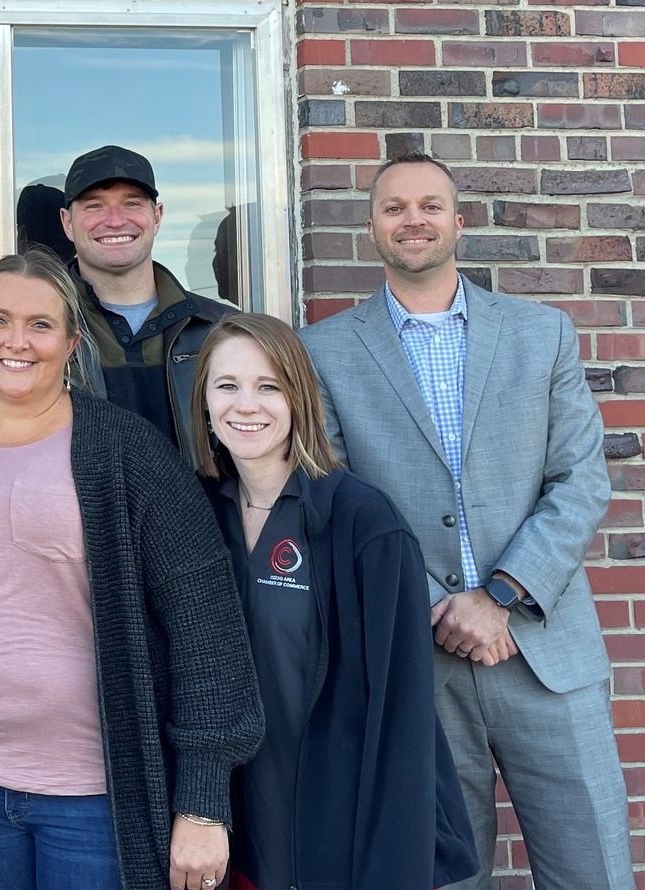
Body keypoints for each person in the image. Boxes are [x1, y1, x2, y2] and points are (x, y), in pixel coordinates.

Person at [301, 152, 630, 889]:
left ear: (458, 219)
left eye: (427, 205)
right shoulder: (322, 351)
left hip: (543, 648)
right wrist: (435, 605)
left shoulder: (540, 332)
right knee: (440, 875)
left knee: (593, 871)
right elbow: (332, 497)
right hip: (416, 661)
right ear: (371, 228)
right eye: (392, 208)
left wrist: (501, 595)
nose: (411, 219)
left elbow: (579, 477)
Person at [0, 250, 262, 890]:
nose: (17, 342)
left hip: (98, 797)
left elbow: (204, 620)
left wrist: (204, 800)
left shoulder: (126, 451)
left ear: (71, 341)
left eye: (41, 325)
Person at [191, 312, 476, 890]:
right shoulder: (194, 515)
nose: (246, 405)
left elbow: (402, 716)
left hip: (339, 832)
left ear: (300, 396)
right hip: (234, 830)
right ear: (203, 401)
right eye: (227, 386)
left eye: (268, 386)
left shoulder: (362, 523)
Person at [56, 145, 238, 465]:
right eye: (94, 205)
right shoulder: (35, 332)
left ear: (156, 217)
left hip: (200, 515)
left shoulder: (221, 329)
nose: (114, 221)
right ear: (67, 222)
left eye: (131, 203)